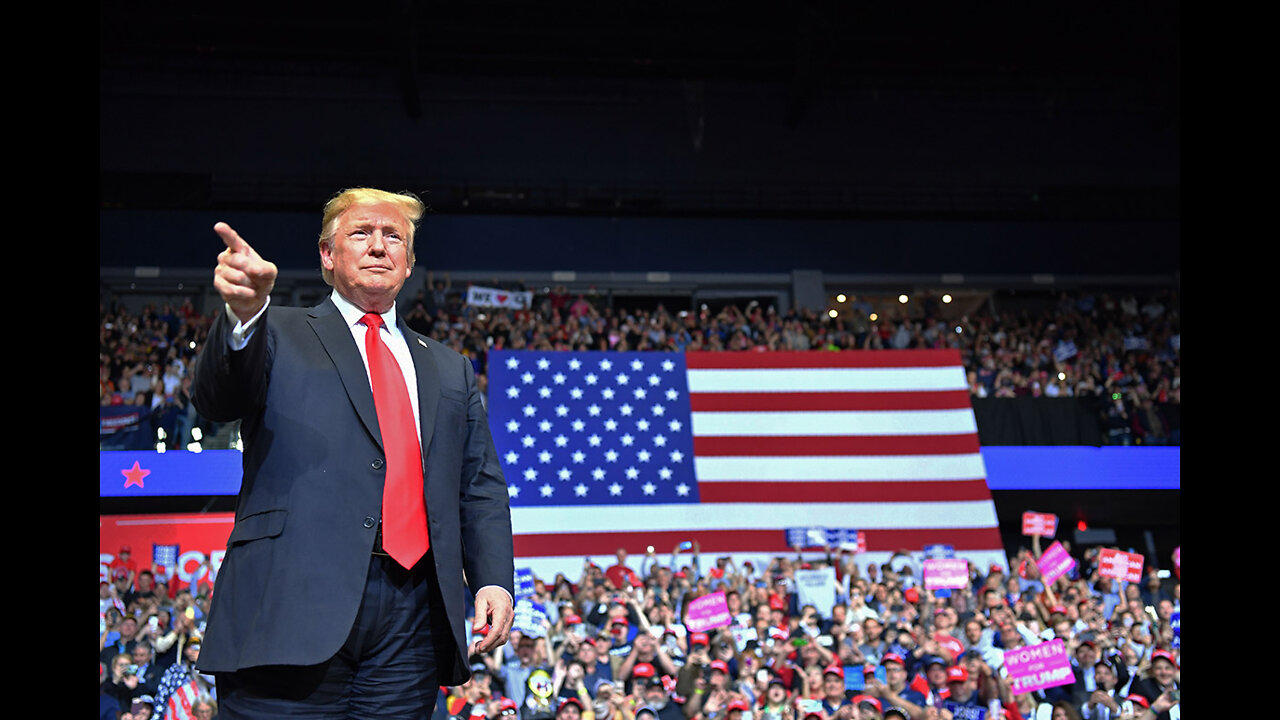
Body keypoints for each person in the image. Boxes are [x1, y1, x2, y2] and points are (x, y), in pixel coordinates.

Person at [192, 187, 516, 718]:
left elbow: (478, 485)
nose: (378, 246)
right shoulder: (276, 331)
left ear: (409, 262)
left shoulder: (449, 367)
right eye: (361, 233)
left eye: (394, 237)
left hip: (412, 624)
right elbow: (216, 400)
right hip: (289, 605)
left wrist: (494, 580)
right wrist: (244, 317)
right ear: (327, 255)